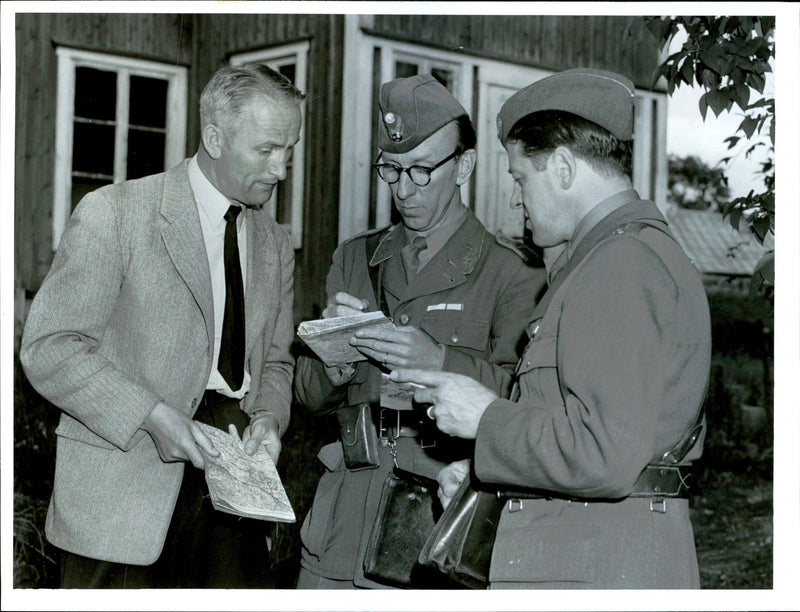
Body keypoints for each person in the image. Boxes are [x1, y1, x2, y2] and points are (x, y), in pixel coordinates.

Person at [392, 67, 711, 589]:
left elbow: (603, 452)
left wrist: (487, 419)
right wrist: (485, 477)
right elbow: (602, 437)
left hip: (591, 565)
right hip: (597, 552)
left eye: (521, 178)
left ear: (562, 168)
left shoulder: (619, 265)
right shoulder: (621, 258)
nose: (516, 199)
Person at [20, 64, 303, 588]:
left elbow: (278, 361)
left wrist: (268, 418)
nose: (281, 168)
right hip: (122, 490)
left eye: (289, 149)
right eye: (266, 150)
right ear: (214, 138)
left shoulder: (275, 242)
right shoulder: (115, 213)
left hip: (231, 498)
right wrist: (151, 416)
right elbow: (49, 348)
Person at [293, 74, 546, 589]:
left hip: (435, 527)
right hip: (340, 527)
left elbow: (527, 406)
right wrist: (335, 359)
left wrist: (439, 361)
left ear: (464, 167)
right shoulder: (356, 258)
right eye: (392, 169)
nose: (404, 190)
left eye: (422, 171)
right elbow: (308, 396)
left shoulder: (511, 274)